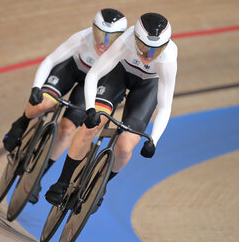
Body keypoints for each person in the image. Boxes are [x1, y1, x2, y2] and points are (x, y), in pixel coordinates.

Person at [45, 12, 178, 210]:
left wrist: (154, 140)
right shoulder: (125, 42)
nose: (148, 56)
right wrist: (90, 109)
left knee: (125, 148)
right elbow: (94, 74)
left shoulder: (168, 58)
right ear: (135, 40)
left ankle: (99, 186)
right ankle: (63, 181)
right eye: (143, 48)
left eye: (155, 51)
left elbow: (165, 105)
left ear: (165, 47)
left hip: (147, 85)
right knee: (92, 126)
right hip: (119, 74)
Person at [2, 8, 128, 202]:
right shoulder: (82, 37)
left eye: (110, 39)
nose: (103, 43)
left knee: (67, 130)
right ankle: (21, 123)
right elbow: (50, 60)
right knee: (43, 104)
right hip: (71, 70)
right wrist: (37, 87)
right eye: (99, 34)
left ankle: (38, 177)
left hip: (91, 86)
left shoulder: (122, 52)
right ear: (92, 29)